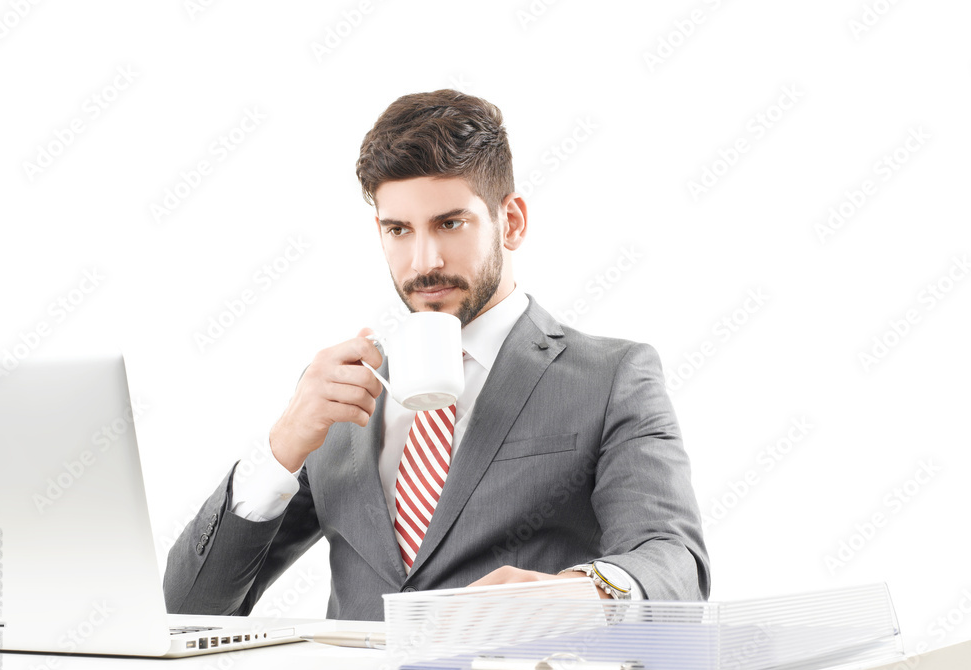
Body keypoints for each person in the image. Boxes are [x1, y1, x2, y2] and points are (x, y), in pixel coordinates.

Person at [163, 89, 709, 621]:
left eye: (450, 223)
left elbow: (675, 560)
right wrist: (281, 448)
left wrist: (577, 593)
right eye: (399, 230)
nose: (424, 261)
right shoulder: (341, 392)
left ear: (511, 221)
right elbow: (188, 609)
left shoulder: (611, 377)